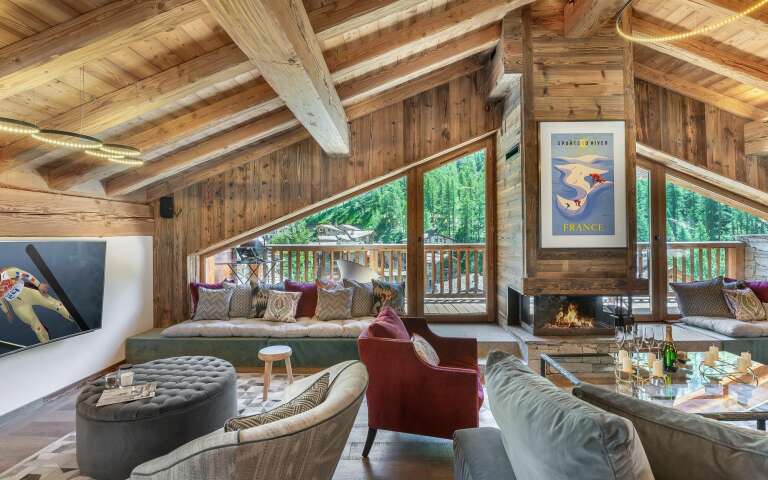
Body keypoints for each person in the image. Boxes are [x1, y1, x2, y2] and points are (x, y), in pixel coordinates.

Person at [0, 267, 74, 343]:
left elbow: (26, 275)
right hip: (19, 306)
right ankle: (46, 342)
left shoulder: (8, 273)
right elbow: (1, 301)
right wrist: (7, 312)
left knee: (54, 304)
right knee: (36, 326)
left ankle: (71, 316)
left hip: (30, 293)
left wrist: (38, 285)